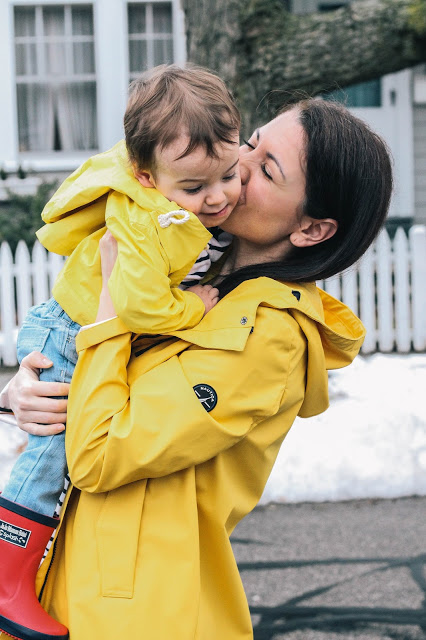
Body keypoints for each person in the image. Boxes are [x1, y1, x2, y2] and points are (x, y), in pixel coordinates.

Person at [0, 98, 392, 640]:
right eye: (250, 142)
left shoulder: (268, 335)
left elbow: (98, 452)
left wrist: (114, 311)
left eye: (267, 168)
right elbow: (96, 378)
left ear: (311, 229)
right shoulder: (181, 265)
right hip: (66, 585)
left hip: (142, 614)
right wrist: (29, 389)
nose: (235, 162)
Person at [0, 63, 241, 640]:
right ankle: (7, 582)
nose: (219, 197)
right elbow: (137, 308)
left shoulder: (168, 177)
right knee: (47, 461)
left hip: (74, 323)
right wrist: (196, 309)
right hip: (67, 332)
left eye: (230, 174)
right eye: (195, 188)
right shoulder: (145, 221)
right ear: (145, 175)